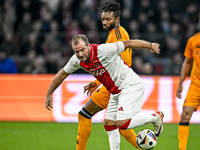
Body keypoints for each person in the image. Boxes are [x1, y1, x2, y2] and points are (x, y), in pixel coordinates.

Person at [45, 34, 164, 150]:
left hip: (130, 85)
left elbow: (128, 43)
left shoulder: (103, 50)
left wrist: (150, 46)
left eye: (82, 50)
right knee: (109, 124)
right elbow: (63, 73)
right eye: (77, 52)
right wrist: (50, 93)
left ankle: (155, 117)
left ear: (89, 46)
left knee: (123, 123)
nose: (80, 54)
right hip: (115, 91)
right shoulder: (76, 60)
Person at [76, 0, 140, 149]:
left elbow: (121, 65)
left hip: (116, 85)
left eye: (108, 19)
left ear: (117, 20)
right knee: (120, 126)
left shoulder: (118, 34)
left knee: (85, 114)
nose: (104, 22)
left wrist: (100, 82)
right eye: (103, 19)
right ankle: (146, 146)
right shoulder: (114, 33)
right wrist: (97, 82)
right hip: (113, 84)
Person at [176, 14, 200, 150]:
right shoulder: (193, 40)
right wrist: (180, 83)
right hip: (196, 85)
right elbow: (187, 62)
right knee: (185, 114)